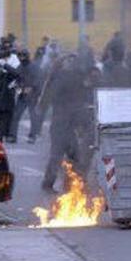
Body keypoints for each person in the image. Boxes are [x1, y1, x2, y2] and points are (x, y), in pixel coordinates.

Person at [41, 55, 88, 193]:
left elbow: (79, 99)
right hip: (60, 125)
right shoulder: (60, 78)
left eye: (73, 61)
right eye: (68, 61)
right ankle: (48, 183)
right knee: (57, 155)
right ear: (62, 65)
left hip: (68, 125)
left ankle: (74, 184)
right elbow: (53, 96)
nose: (71, 64)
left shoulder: (71, 78)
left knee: (74, 155)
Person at [8, 50, 43, 144]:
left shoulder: (34, 67)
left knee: (33, 116)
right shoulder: (21, 66)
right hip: (22, 95)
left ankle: (32, 136)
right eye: (20, 56)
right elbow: (17, 77)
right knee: (16, 115)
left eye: (23, 56)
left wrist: (32, 88)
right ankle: (12, 136)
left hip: (32, 96)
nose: (21, 58)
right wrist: (19, 88)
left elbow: (39, 80)